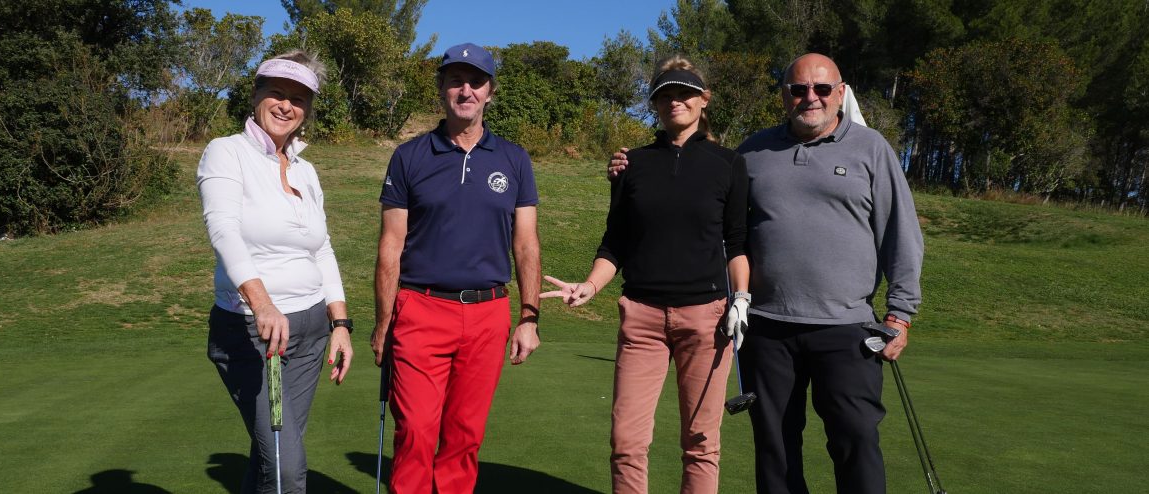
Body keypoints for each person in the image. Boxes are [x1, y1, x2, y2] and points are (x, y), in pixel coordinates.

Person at [609, 53, 924, 494]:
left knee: (855, 440)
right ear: (784, 97)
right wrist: (629, 170)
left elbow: (901, 234)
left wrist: (900, 314)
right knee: (775, 449)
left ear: (840, 93)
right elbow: (712, 207)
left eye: (821, 89)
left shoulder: (870, 148)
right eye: (798, 89)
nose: (809, 97)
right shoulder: (753, 151)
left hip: (845, 326)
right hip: (767, 328)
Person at [544, 56, 750, 494]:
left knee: (700, 442)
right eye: (665, 95)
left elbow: (736, 243)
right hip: (641, 317)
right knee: (627, 442)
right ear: (654, 104)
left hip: (706, 318)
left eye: (684, 93)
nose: (675, 101)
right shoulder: (630, 164)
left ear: (703, 100)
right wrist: (591, 284)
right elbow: (615, 242)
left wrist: (742, 298)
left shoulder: (729, 164)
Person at [370, 42, 542, 494]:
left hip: (488, 313)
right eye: (455, 80)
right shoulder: (410, 156)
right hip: (421, 308)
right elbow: (391, 243)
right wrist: (383, 321)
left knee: (465, 437)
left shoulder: (514, 159)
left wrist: (529, 316)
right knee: (416, 434)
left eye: (476, 81)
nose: (465, 90)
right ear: (442, 88)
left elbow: (525, 243)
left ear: (490, 91)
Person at [197, 49, 354, 493]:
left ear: (307, 111)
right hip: (254, 332)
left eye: (299, 98)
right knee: (286, 467)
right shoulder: (226, 153)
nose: (287, 105)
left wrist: (339, 323)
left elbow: (320, 249)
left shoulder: (306, 170)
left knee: (271, 456)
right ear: (256, 94)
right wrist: (262, 303)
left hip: (309, 332)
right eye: (277, 93)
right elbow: (223, 232)